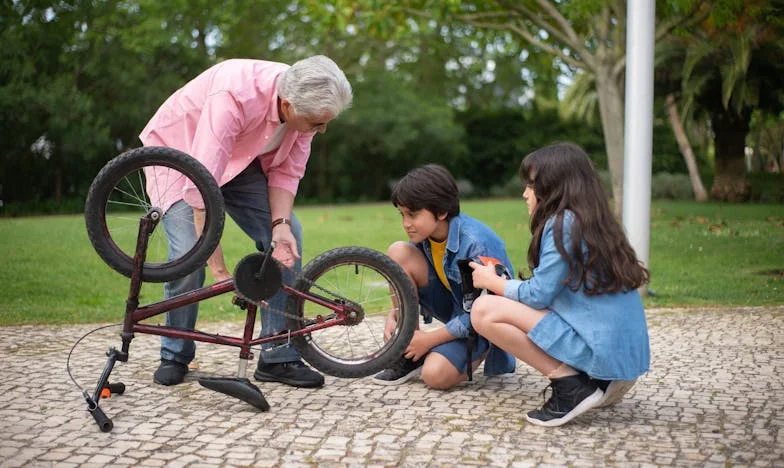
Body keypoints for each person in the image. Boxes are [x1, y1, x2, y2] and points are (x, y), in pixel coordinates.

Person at [139, 56, 353, 387]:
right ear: (287, 105)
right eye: (317, 123)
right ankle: (174, 353)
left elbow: (286, 172)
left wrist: (280, 226)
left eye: (325, 122)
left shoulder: (306, 104)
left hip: (240, 158)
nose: (322, 129)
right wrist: (219, 272)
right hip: (179, 154)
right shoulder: (234, 96)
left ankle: (277, 355)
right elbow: (201, 191)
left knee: (289, 235)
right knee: (187, 256)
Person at [468, 142, 650, 427]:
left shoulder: (563, 223)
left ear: (554, 186)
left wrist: (493, 283)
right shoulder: (594, 221)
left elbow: (538, 295)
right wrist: (506, 286)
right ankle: (582, 382)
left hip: (602, 365)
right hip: (621, 367)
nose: (525, 193)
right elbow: (552, 291)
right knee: (502, 303)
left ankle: (571, 386)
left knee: (483, 310)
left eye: (531, 185)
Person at [373, 164, 516, 389]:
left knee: (435, 376)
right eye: (402, 214)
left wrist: (430, 339)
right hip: (456, 307)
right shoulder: (426, 236)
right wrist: (396, 315)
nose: (406, 223)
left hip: (484, 320)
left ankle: (471, 349)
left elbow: (485, 311)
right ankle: (409, 352)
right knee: (398, 252)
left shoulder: (477, 244)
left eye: (413, 214)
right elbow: (408, 283)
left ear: (441, 212)